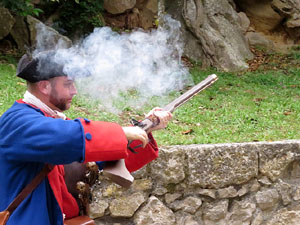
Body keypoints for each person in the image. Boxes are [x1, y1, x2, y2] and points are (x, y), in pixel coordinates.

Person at [0, 51, 172, 225]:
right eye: (68, 84)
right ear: (44, 86)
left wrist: (145, 128)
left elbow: (98, 159)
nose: (74, 91)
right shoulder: (17, 122)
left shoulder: (54, 123)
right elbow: (67, 137)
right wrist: (121, 132)